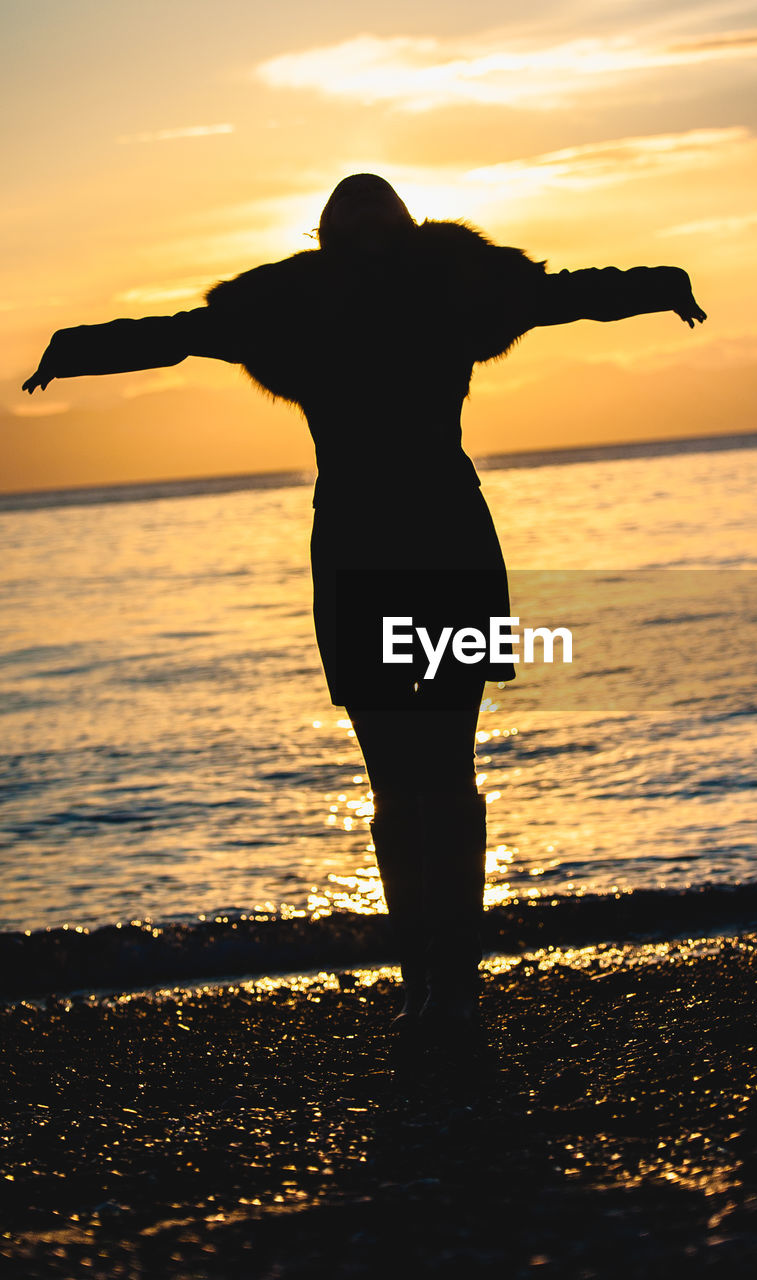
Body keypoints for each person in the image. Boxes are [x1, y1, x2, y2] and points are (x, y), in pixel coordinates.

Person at [23, 173, 706, 1040]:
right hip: (425, 540)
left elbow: (179, 337)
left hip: (374, 545)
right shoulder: (446, 289)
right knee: (430, 782)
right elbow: (566, 297)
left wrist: (71, 349)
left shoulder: (299, 306)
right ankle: (441, 986)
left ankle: (435, 986)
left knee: (412, 785)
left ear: (322, 240)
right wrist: (660, 285)